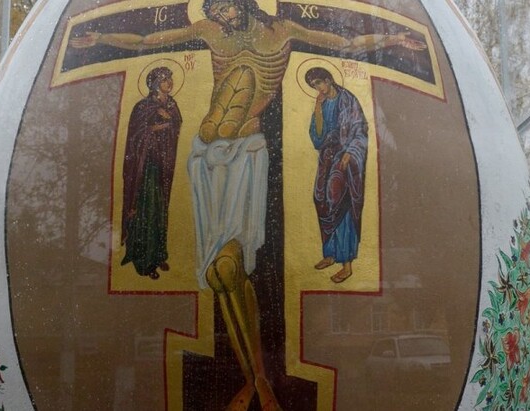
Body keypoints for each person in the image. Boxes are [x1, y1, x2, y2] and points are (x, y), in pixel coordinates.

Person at [71, 2, 424, 408]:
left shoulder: (283, 31)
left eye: (224, 8)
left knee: (228, 267)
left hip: (247, 153)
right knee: (219, 276)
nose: (220, 16)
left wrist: (394, 39)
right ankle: (255, 378)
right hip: (205, 158)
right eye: (214, 11)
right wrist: (99, 38)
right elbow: (147, 41)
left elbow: (344, 42)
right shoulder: (211, 32)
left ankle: (257, 378)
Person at [305, 67, 368, 284]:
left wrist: (350, 152)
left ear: (329, 80)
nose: (318, 88)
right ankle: (330, 254)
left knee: (340, 200)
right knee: (321, 199)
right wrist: (318, 108)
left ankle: (347, 264)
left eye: (319, 83)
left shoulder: (348, 100)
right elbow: (317, 138)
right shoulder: (322, 104)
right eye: (314, 86)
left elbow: (360, 129)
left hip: (345, 158)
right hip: (327, 157)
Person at [121, 67, 182, 280]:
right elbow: (136, 136)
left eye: (170, 79)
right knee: (146, 210)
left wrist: (169, 121)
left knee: (160, 209)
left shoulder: (172, 105)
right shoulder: (143, 107)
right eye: (165, 80)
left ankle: (159, 254)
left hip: (163, 165)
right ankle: (144, 261)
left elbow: (176, 126)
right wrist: (158, 125)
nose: (169, 83)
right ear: (155, 84)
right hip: (146, 168)